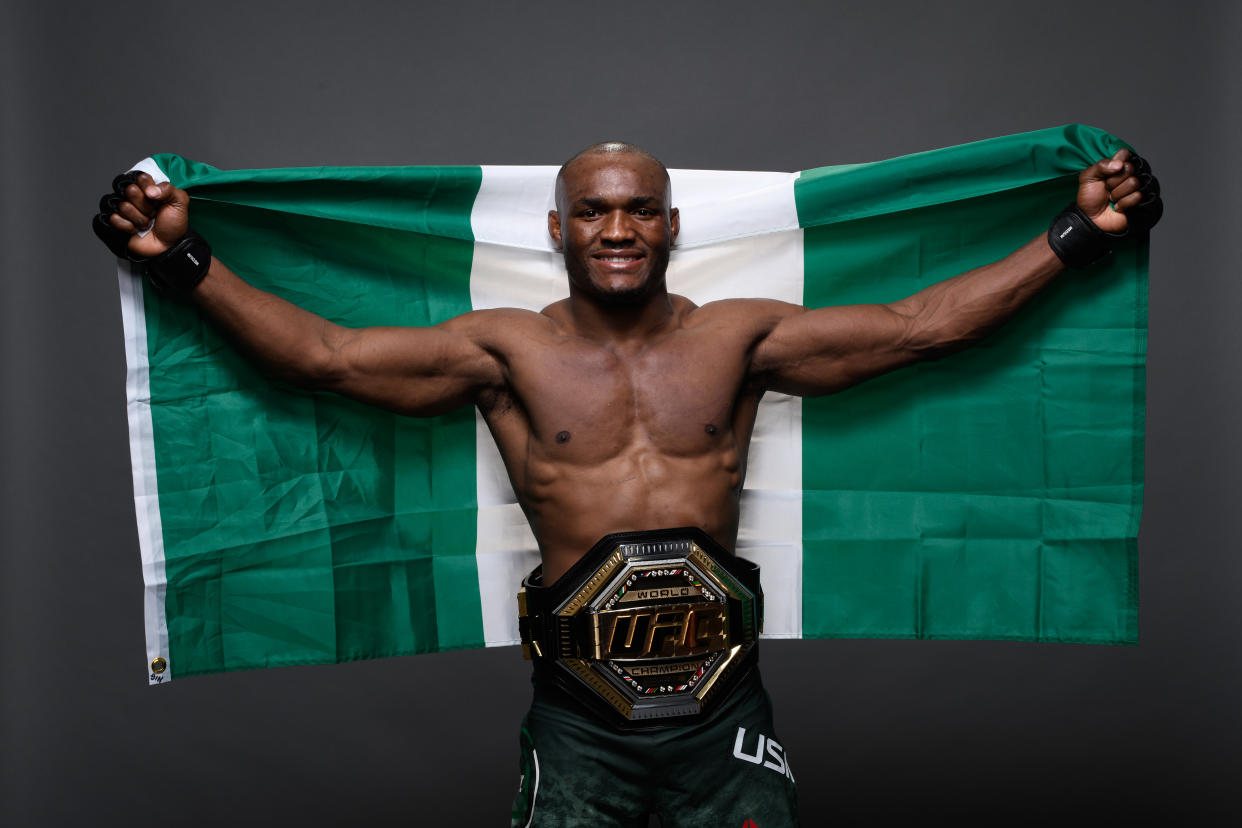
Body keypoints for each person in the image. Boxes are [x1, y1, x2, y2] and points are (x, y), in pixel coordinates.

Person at [94, 141, 1160, 827]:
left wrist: (1078, 235)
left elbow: (921, 328)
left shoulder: (738, 337)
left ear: (670, 226)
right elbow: (324, 357)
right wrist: (181, 262)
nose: (618, 229)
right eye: (596, 211)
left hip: (724, 717)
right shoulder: (503, 349)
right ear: (558, 228)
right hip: (579, 726)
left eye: (640, 210)